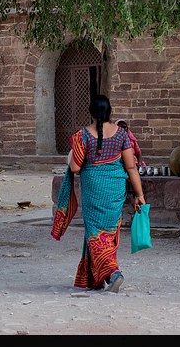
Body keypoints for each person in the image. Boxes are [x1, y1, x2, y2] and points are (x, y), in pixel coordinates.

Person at [51, 94, 146, 292]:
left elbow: (75, 168)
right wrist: (139, 194)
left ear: (91, 113)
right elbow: (131, 167)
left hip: (93, 189)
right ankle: (94, 277)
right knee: (109, 232)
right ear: (109, 111)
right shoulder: (122, 134)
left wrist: (75, 156)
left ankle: (113, 272)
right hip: (115, 190)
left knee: (95, 232)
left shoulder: (83, 135)